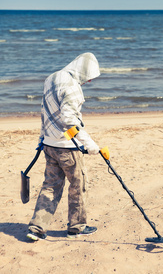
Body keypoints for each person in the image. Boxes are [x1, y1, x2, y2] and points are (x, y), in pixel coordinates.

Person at [27, 52, 101, 241]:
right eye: (89, 77)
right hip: (68, 147)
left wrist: (42, 138)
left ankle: (37, 228)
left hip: (50, 144)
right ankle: (77, 227)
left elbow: (45, 111)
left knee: (50, 186)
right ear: (82, 71)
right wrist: (89, 143)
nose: (89, 81)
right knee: (78, 185)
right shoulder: (73, 86)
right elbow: (69, 120)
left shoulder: (51, 78)